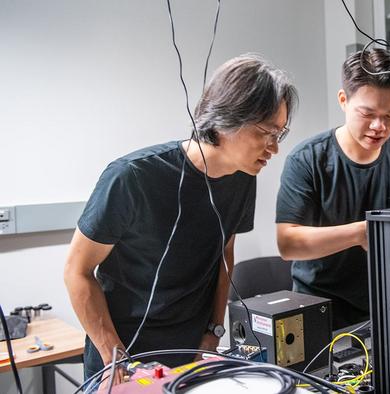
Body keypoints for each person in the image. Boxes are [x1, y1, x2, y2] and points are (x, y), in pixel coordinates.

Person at [64, 54, 298, 389]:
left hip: (191, 352)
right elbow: (77, 271)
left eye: (281, 133)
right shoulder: (131, 177)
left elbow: (224, 255)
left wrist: (213, 331)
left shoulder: (244, 176)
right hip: (123, 354)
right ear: (225, 118)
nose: (274, 147)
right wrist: (113, 355)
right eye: (266, 132)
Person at [276, 48, 390, 330]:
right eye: (367, 113)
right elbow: (288, 243)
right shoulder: (307, 160)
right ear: (343, 100)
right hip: (321, 314)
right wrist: (363, 233)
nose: (379, 126)